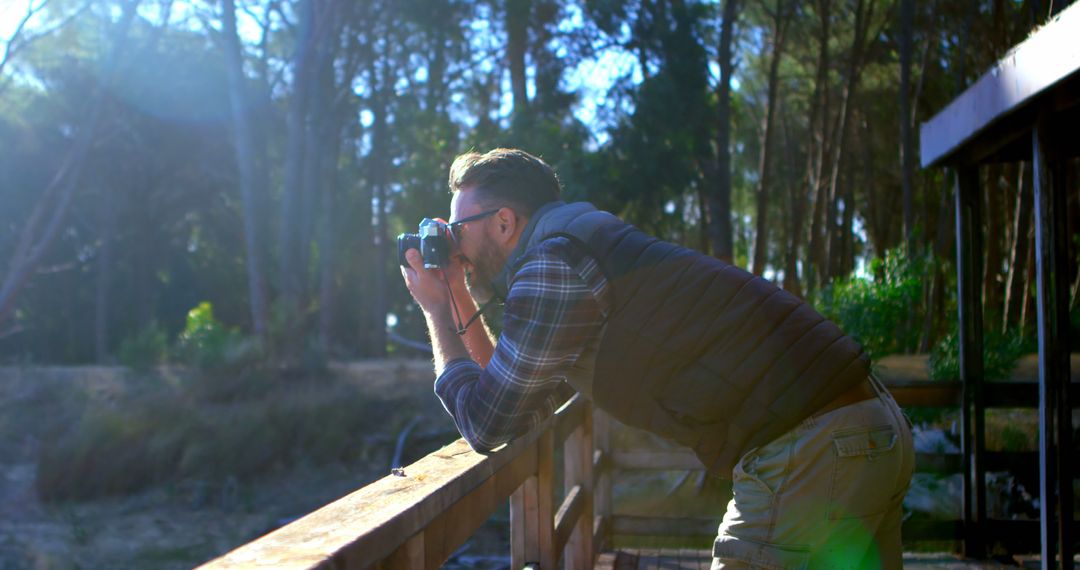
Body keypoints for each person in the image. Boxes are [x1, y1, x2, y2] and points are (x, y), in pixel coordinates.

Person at [400, 148, 914, 569]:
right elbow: (513, 396)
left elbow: (487, 423)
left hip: (810, 448)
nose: (454, 244)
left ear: (505, 222)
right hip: (868, 429)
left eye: (458, 229)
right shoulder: (578, 238)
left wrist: (437, 314)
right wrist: (458, 294)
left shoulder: (552, 265)